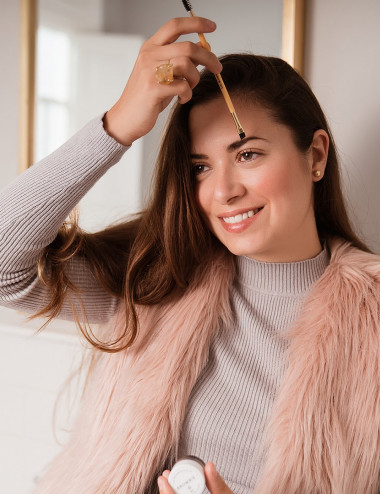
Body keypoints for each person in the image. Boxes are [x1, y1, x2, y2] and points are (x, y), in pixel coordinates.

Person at [1, 15, 380, 494]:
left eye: (247, 154)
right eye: (200, 167)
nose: (222, 191)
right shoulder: (161, 274)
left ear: (316, 156)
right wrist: (116, 126)